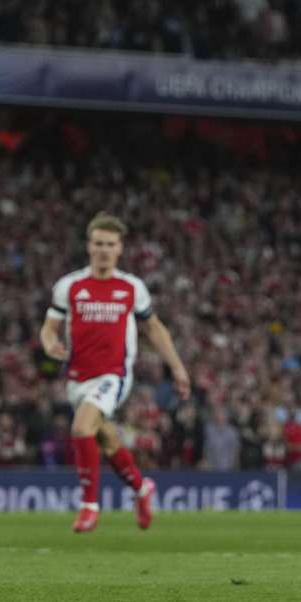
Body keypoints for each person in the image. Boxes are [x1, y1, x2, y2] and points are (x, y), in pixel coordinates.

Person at [39, 212, 191, 533]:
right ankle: (140, 488)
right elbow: (49, 328)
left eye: (110, 244)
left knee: (82, 429)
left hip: (114, 375)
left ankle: (89, 507)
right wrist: (50, 343)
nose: (104, 250)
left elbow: (154, 328)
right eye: (98, 243)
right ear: (89, 246)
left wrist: (177, 368)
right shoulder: (70, 286)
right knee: (105, 438)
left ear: (120, 248)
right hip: (77, 378)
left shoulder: (131, 287)